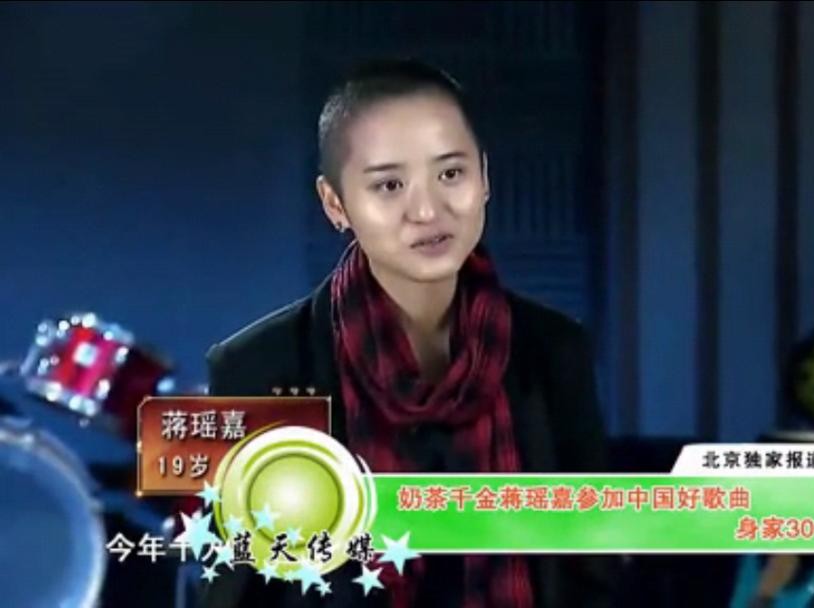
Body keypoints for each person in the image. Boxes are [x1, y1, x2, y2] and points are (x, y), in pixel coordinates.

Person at [200, 59, 614, 607]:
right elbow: (233, 588)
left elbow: (591, 563)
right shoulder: (259, 367)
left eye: (451, 174)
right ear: (335, 204)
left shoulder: (554, 350)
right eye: (390, 185)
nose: (427, 210)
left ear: (485, 178)